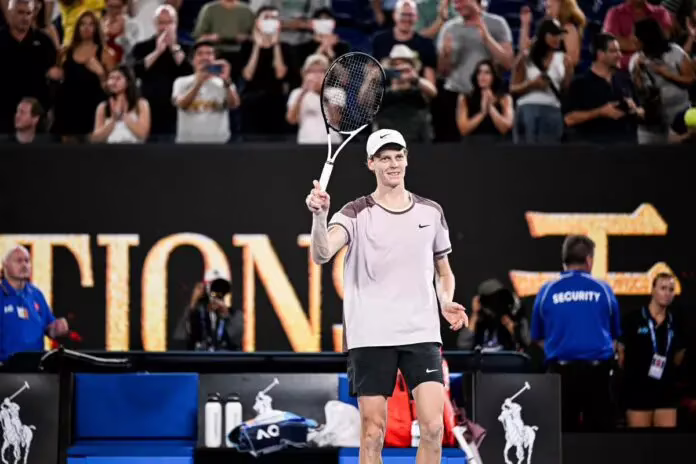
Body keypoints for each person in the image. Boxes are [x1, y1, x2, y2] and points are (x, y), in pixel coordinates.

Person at [306, 128, 468, 464]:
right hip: (371, 334)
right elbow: (321, 254)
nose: (393, 164)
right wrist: (319, 217)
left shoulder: (431, 212)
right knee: (372, 433)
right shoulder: (354, 212)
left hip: (421, 332)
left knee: (433, 428)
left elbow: (444, 272)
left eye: (398, 156)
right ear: (371, 164)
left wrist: (445, 301)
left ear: (406, 159)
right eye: (384, 158)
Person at [530, 235, 621, 432]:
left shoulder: (547, 291)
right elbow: (615, 335)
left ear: (564, 259)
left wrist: (561, 348)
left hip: (561, 375)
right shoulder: (603, 289)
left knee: (560, 437)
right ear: (589, 260)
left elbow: (537, 336)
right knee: (601, 438)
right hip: (598, 376)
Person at [618, 273, 685, 428]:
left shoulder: (675, 322)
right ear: (653, 290)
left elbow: (679, 356)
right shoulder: (633, 319)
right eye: (663, 288)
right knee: (641, 440)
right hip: (638, 391)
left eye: (671, 289)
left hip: (666, 391)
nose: (667, 293)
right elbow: (621, 353)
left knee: (666, 441)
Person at [0, 245, 69, 364]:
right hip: (6, 368)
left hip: (36, 367)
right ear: (5, 265)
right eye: (19, 261)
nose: (24, 265)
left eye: (27, 261)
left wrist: (57, 328)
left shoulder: (36, 294)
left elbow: (50, 330)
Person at [183, 270, 243, 352]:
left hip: (226, 358)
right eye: (214, 287)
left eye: (222, 288)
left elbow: (236, 340)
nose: (218, 292)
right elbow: (183, 337)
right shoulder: (197, 314)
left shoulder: (235, 314)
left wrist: (226, 317)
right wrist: (193, 304)